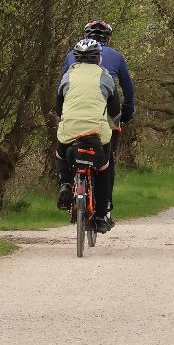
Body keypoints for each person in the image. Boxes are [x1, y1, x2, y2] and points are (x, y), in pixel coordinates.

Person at [60, 19, 135, 225]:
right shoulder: (117, 57)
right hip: (105, 116)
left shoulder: (70, 58)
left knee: (64, 147)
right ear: (107, 41)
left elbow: (62, 90)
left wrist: (62, 115)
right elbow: (128, 91)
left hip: (72, 116)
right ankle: (104, 210)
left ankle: (66, 182)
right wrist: (126, 115)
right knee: (107, 160)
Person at [55, 37, 121, 231]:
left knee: (61, 154)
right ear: (98, 58)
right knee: (104, 167)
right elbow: (115, 112)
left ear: (76, 58)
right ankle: (101, 216)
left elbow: (59, 108)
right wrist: (115, 127)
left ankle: (65, 184)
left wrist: (65, 120)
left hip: (69, 129)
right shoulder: (106, 76)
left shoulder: (68, 76)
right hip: (96, 132)